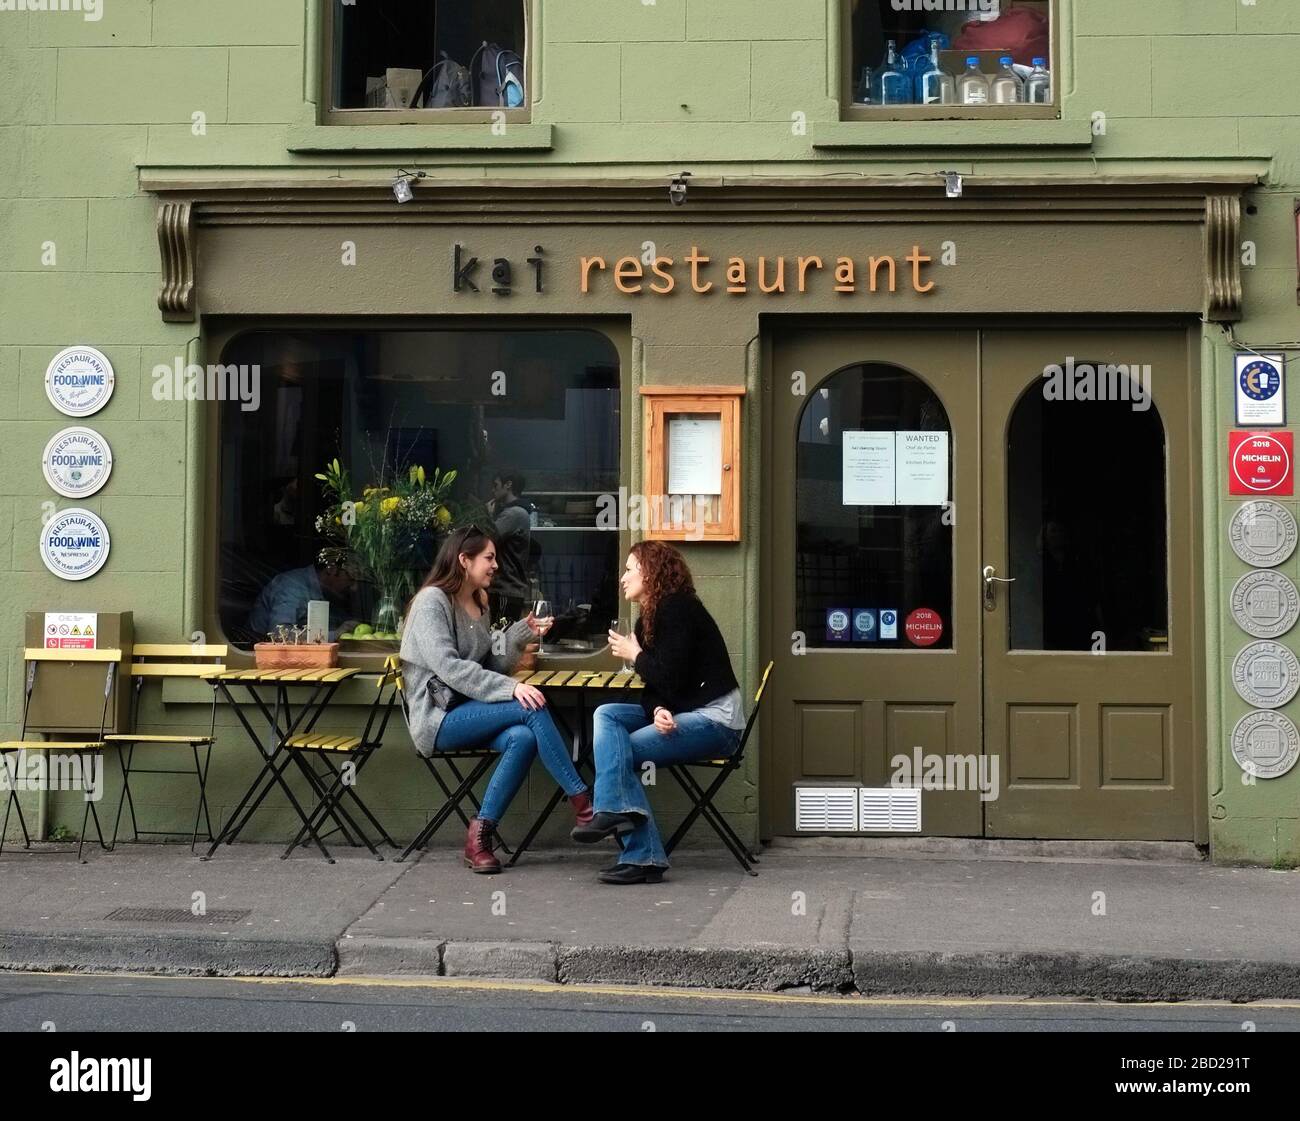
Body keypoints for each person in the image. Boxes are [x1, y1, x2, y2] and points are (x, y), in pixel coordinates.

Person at [400, 525, 593, 874]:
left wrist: (521, 632)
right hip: (437, 718)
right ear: (464, 560)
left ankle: (479, 837)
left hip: (472, 710)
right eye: (489, 558)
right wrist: (512, 689)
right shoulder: (432, 602)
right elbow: (450, 669)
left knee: (523, 737)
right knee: (529, 705)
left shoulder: (478, 602)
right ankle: (585, 804)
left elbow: (489, 664)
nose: (496, 566)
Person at [572, 541, 744, 884]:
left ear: (650, 574)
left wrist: (635, 656)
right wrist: (660, 708)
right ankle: (621, 822)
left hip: (716, 720)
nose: (622, 578)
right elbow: (659, 688)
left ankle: (637, 849)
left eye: (630, 569)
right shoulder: (647, 620)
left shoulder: (678, 609)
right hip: (686, 710)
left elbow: (669, 676)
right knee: (607, 714)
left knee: (620, 753)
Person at [248, 560, 355, 640]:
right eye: (351, 578)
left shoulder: (330, 593)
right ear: (332, 569)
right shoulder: (292, 587)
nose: (355, 587)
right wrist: (334, 635)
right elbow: (280, 635)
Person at [486, 470, 533, 621]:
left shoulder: (513, 514)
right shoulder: (517, 513)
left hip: (505, 589)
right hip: (509, 589)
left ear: (508, 485)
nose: (493, 490)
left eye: (496, 485)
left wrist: (488, 515)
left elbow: (487, 539)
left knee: (499, 636)